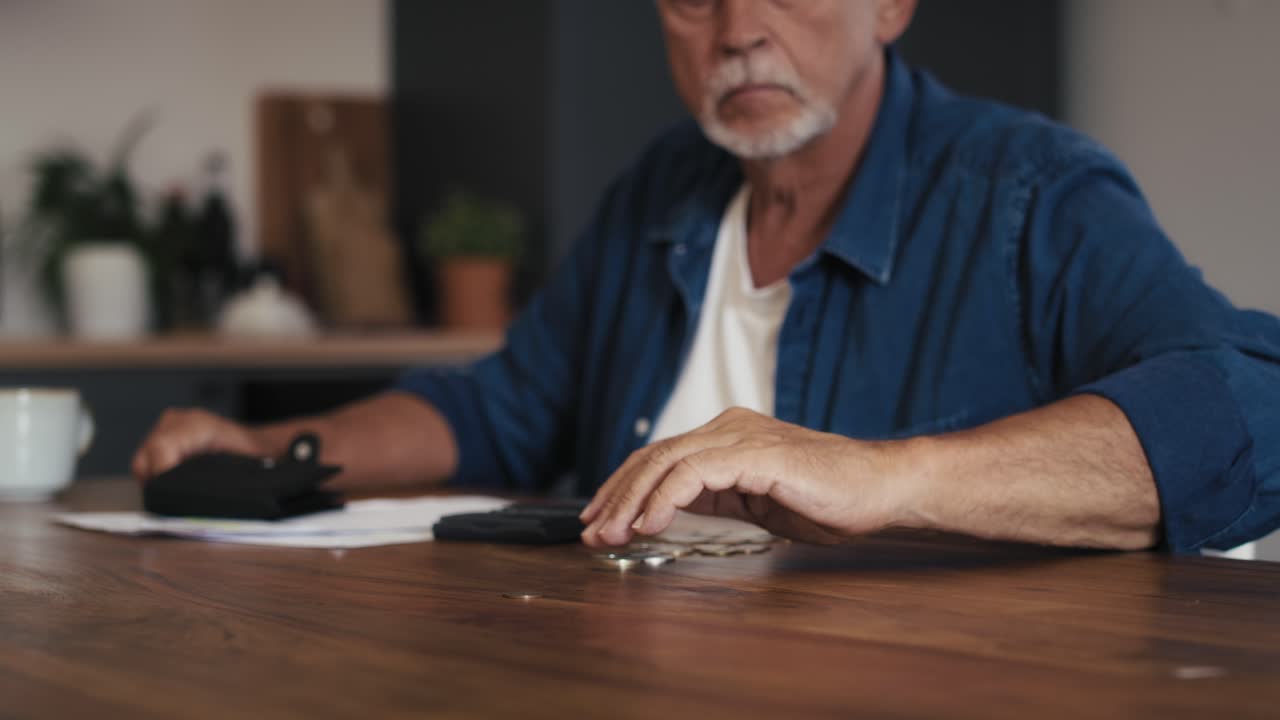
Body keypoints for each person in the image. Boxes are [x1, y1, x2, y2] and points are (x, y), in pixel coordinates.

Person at [133, 0, 1280, 554]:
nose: (737, 29)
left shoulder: (1024, 187)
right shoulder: (662, 190)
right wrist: (272, 454)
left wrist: (885, 477)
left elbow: (1250, 403)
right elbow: (499, 403)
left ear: (887, 3)